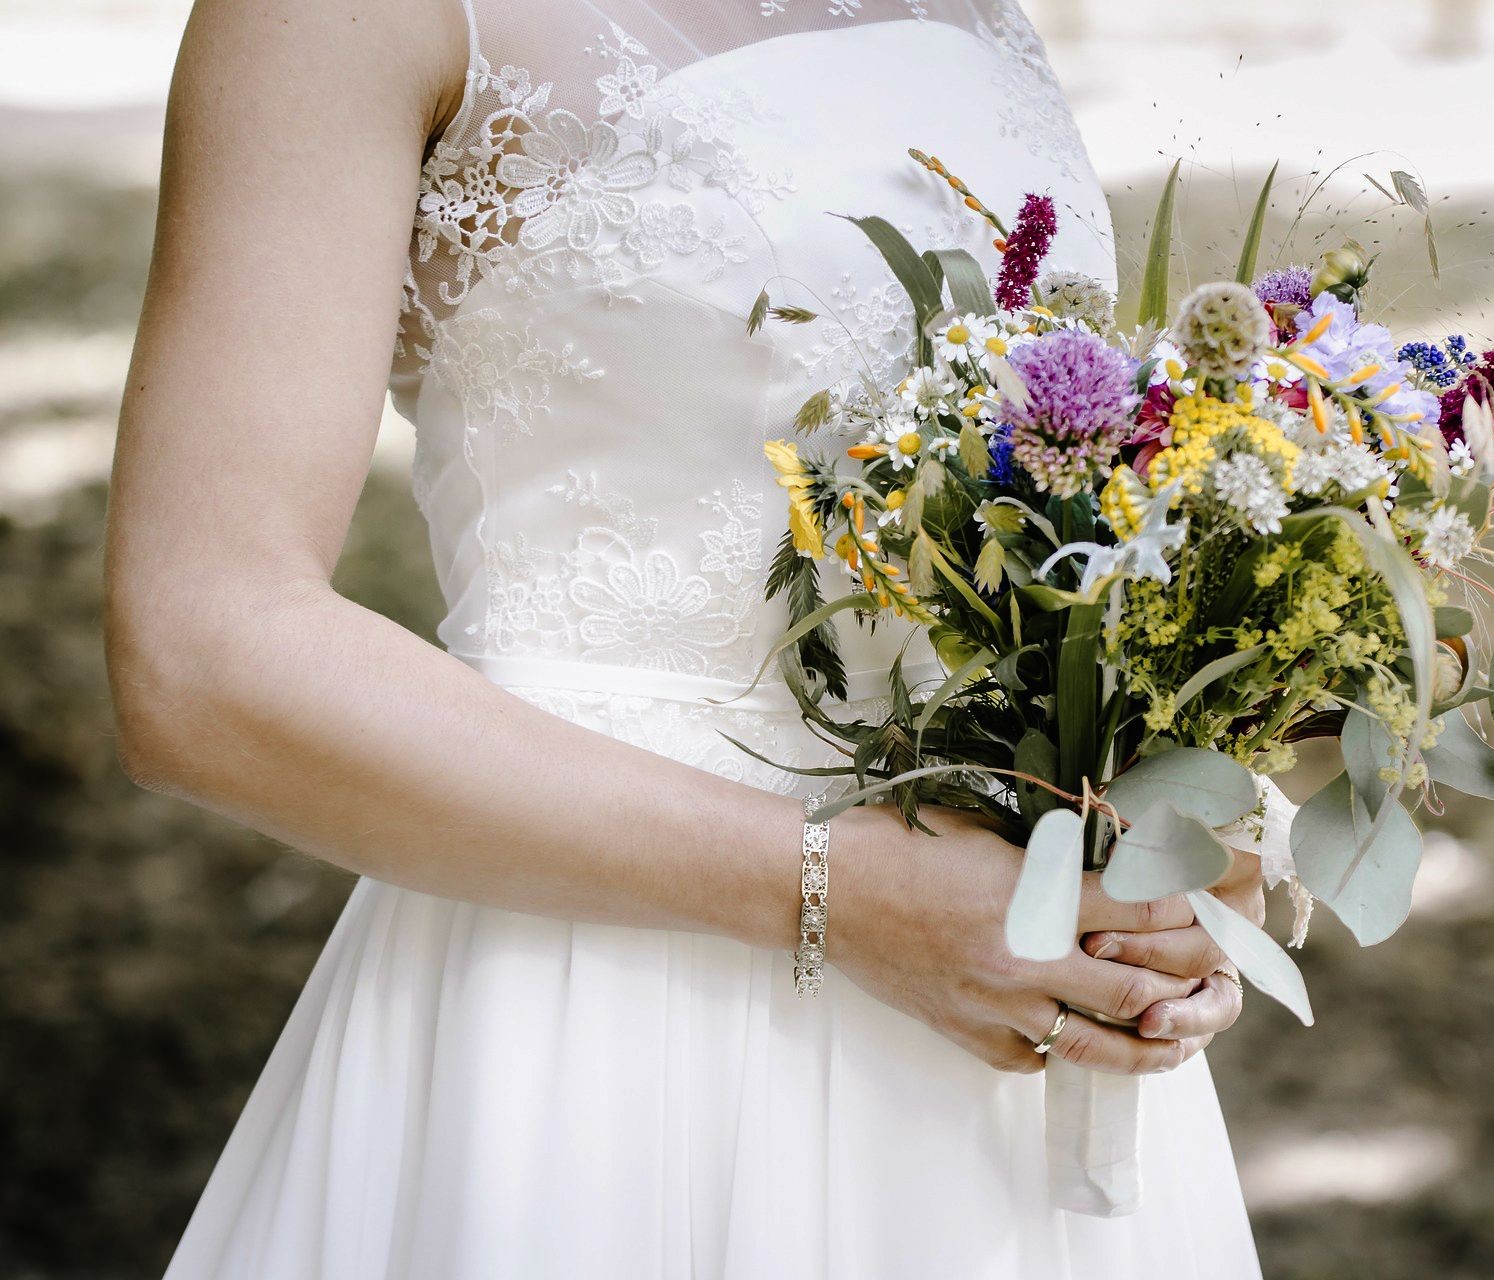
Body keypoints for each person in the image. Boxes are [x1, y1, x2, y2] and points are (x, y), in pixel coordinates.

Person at [105, 0, 1266, 1274]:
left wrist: (1174, 830)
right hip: (596, 1015)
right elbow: (202, 653)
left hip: (1003, 1056)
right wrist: (836, 891)